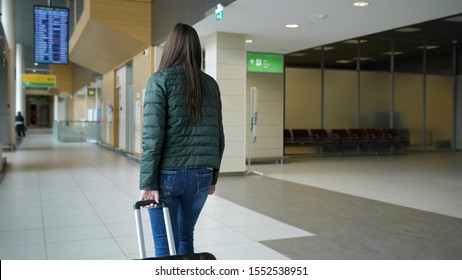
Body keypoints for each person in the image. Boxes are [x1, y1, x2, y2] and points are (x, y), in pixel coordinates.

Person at [139, 23, 225, 257]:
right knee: (186, 234)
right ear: (197, 50)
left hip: (167, 175)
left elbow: (152, 136)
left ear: (171, 48)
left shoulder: (160, 80)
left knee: (164, 239)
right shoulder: (210, 84)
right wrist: (213, 175)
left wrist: (148, 182)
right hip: (201, 175)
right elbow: (219, 135)